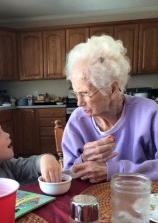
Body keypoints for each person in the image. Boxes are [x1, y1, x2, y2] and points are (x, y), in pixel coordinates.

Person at [62, 35, 158, 183]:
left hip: (141, 198)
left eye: (85, 93)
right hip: (92, 198)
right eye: (75, 94)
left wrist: (114, 171)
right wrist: (83, 159)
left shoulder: (149, 113)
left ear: (113, 89)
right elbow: (67, 175)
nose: (79, 103)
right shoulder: (77, 121)